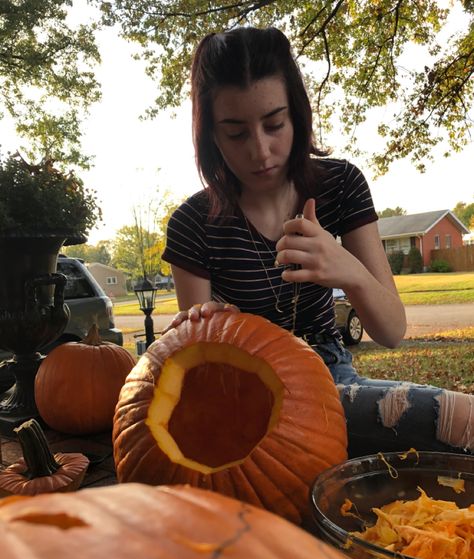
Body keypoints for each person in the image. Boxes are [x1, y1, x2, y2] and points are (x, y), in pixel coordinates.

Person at [162, 26, 473, 458]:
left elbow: (392, 331)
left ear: (298, 115)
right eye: (236, 133)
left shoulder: (340, 185)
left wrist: (347, 269)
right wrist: (208, 330)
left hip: (331, 377)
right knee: (449, 423)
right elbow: (198, 373)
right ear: (210, 136)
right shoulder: (191, 224)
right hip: (247, 397)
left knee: (456, 423)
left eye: (275, 124)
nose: (261, 151)